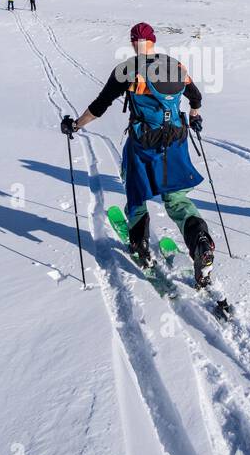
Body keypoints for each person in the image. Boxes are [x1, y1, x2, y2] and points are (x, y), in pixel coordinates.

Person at [61, 22, 217, 286]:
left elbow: (100, 106)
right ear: (153, 41)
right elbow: (196, 96)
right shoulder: (174, 65)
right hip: (176, 140)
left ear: (133, 42)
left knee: (136, 190)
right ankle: (201, 242)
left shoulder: (127, 70)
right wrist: (194, 116)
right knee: (176, 199)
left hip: (144, 142)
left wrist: (75, 124)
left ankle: (140, 246)